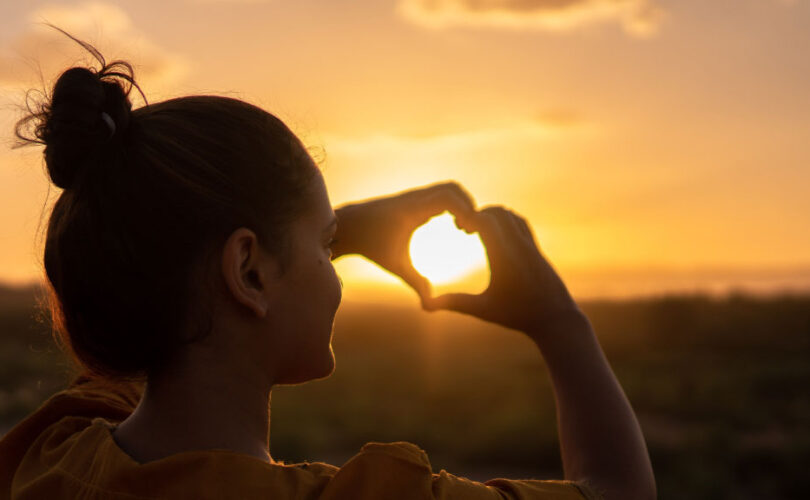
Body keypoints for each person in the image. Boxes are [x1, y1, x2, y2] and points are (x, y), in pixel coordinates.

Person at [0, 34, 655, 500]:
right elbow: (618, 491)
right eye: (325, 242)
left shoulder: (54, 452)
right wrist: (559, 322)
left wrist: (337, 231)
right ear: (249, 272)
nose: (335, 266)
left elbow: (163, 269)